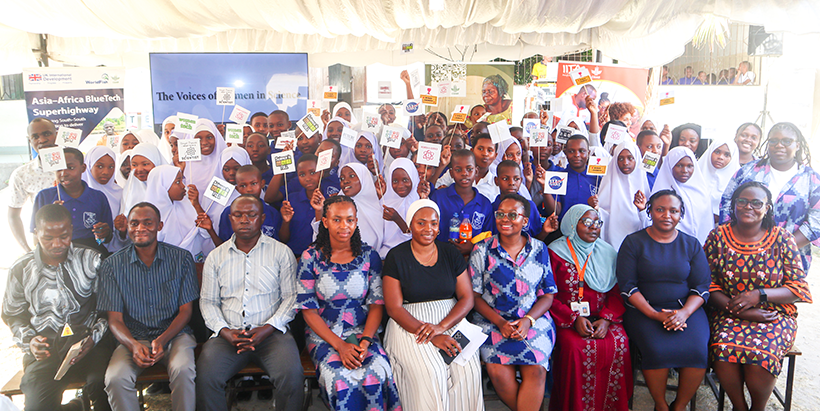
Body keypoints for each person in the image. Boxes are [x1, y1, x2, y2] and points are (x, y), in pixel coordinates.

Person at [705, 182, 812, 411]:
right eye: (742, 201)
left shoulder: (782, 238)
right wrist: (740, 310)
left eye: (756, 203)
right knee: (723, 350)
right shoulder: (718, 236)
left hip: (773, 315)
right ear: (733, 205)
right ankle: (740, 407)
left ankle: (758, 408)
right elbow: (707, 284)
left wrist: (759, 295)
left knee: (759, 358)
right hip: (728, 311)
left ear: (767, 208)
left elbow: (797, 288)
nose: (748, 207)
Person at [197, 195, 304, 411]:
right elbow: (208, 301)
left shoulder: (281, 252)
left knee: (292, 377)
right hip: (228, 335)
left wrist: (267, 328)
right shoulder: (215, 257)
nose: (245, 219)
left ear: (262, 218)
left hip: (271, 334)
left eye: (251, 215)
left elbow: (291, 297)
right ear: (230, 219)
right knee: (205, 378)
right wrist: (224, 330)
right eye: (238, 215)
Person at [3, 204, 113, 411]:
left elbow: (108, 310)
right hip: (45, 351)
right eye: (47, 238)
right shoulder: (21, 269)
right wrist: (30, 341)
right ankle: (74, 408)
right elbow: (13, 315)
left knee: (102, 386)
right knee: (38, 406)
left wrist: (93, 339)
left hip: (90, 348)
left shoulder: (92, 260)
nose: (57, 244)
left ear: (71, 229)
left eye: (63, 236)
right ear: (36, 233)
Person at [296, 196, 402, 410]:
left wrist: (364, 341)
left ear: (356, 221)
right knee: (339, 378)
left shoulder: (368, 256)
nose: (344, 226)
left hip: (363, 331)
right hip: (324, 335)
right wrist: (340, 345)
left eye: (350, 220)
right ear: (325, 222)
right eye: (337, 220)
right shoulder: (311, 257)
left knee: (379, 371)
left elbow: (376, 304)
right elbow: (308, 311)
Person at [383, 199, 484, 411]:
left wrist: (441, 328)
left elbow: (466, 298)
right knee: (432, 371)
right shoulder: (396, 256)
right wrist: (432, 335)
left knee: (468, 371)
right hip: (410, 324)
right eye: (421, 223)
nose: (428, 228)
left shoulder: (450, 253)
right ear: (410, 225)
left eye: (434, 223)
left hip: (450, 319)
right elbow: (394, 308)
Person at [98, 202, 199, 411]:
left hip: (174, 335)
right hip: (133, 338)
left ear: (159, 226)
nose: (140, 228)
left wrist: (162, 340)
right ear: (126, 226)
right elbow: (114, 320)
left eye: (148, 223)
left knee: (183, 369)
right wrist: (134, 345)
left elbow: (185, 311)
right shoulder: (112, 265)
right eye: (134, 223)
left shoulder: (181, 259)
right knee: (115, 378)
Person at [616, 190, 711, 411]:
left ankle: (679, 406)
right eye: (660, 209)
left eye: (673, 210)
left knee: (697, 350)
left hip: (686, 309)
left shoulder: (691, 244)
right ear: (650, 211)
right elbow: (628, 286)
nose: (667, 215)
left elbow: (702, 286)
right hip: (644, 310)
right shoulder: (633, 243)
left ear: (681, 214)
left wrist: (684, 313)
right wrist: (655, 314)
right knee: (657, 350)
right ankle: (660, 405)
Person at [470, 194, 558, 411]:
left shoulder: (539, 249)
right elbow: (475, 297)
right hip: (492, 322)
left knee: (536, 369)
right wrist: (500, 323)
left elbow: (548, 294)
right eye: (500, 214)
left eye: (512, 215)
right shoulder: (481, 250)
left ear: (525, 221)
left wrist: (528, 320)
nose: (504, 219)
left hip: (533, 321)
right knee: (498, 374)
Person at [547, 204, 632, 411]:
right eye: (587, 222)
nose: (594, 227)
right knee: (575, 348)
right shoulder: (555, 252)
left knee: (620, 343)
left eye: (597, 223)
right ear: (572, 223)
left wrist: (606, 318)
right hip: (567, 319)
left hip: (603, 318)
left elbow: (615, 291)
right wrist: (573, 319)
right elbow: (548, 295)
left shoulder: (608, 252)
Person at [719, 122, 819, 270]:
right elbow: (726, 203)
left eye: (786, 141)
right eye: (773, 141)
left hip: (790, 259)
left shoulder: (812, 180)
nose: (779, 145)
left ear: (797, 145)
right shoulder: (747, 171)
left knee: (783, 294)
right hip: (743, 255)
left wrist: (778, 248)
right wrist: (739, 242)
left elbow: (816, 221)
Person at [31, 147, 114, 254]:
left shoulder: (98, 197)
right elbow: (35, 235)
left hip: (90, 252)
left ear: (83, 168)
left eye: (70, 168)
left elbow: (108, 237)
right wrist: (52, 213)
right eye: (59, 169)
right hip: (56, 252)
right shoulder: (44, 197)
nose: (63, 173)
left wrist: (104, 233)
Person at [636, 146, 713, 243]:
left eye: (689, 166)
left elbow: (707, 224)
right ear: (670, 166)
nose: (685, 170)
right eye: (679, 165)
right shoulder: (660, 194)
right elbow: (650, 225)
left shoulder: (702, 192)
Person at [144, 165, 214, 262]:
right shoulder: (149, 215)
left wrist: (196, 205)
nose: (183, 186)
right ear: (163, 186)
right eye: (178, 182)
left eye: (182, 181)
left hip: (193, 264)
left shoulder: (187, 205)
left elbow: (205, 233)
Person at [429, 149, 494, 255]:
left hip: (473, 261)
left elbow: (489, 238)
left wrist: (473, 247)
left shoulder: (485, 204)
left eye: (469, 169)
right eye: (458, 170)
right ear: (451, 173)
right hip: (440, 257)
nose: (464, 173)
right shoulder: (438, 197)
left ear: (476, 171)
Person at [9, 118, 59, 252]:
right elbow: (13, 214)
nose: (42, 140)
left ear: (56, 134)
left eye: (47, 134)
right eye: (35, 136)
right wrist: (28, 250)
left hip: (80, 238)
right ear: (30, 140)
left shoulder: (76, 166)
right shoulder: (22, 174)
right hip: (44, 243)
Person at [596, 140, 649, 250]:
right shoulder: (608, 182)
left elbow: (650, 221)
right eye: (620, 158)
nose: (625, 162)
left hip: (640, 244)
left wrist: (642, 209)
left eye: (630, 158)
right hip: (613, 242)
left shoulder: (643, 182)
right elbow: (602, 216)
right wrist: (596, 208)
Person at [381, 158, 419, 258]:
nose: (400, 185)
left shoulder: (419, 202)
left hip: (412, 255)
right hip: (387, 254)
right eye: (395, 181)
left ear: (413, 178)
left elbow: (416, 237)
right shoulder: (385, 202)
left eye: (405, 180)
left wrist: (397, 219)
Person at [697, 139, 740, 220]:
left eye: (727, 155)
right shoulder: (695, 172)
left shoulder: (737, 180)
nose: (720, 157)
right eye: (717, 152)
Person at [82, 146, 123, 221]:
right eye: (100, 166)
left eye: (111, 167)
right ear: (89, 165)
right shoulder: (80, 194)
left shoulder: (120, 193)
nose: (106, 172)